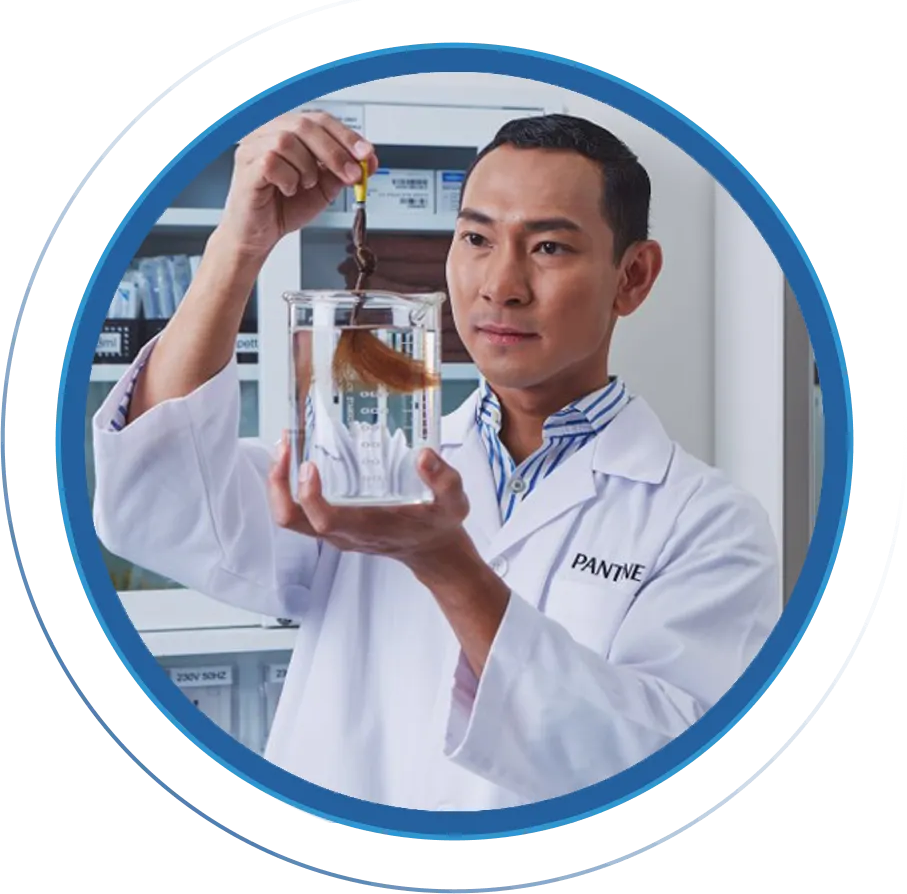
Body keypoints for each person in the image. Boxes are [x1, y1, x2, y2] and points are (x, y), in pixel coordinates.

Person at [92, 110, 782, 811]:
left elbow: (659, 763)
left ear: (631, 276)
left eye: (547, 247)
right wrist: (241, 242)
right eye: (476, 237)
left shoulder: (709, 526)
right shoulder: (358, 466)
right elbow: (160, 499)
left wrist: (447, 564)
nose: (499, 284)